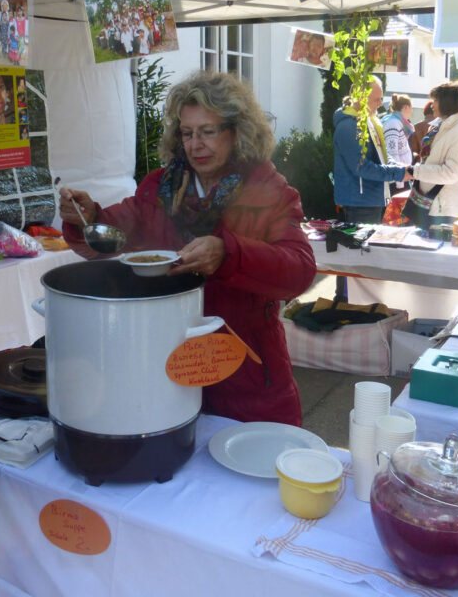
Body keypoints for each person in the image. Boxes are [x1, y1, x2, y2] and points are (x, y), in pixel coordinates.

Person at [59, 72, 316, 426]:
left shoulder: (268, 191)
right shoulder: (159, 188)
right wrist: (87, 220)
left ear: (237, 131)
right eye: (187, 133)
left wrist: (229, 254)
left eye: (208, 131)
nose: (196, 145)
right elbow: (108, 237)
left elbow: (299, 271)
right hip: (166, 364)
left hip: (247, 372)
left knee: (253, 473)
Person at [332, 78, 411, 223]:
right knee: (362, 246)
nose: (381, 104)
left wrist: (403, 169)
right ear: (361, 98)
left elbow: (384, 156)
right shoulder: (349, 126)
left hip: (374, 200)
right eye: (377, 99)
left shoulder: (372, 121)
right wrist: (398, 173)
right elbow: (361, 167)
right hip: (359, 204)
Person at [410, 82, 458, 224]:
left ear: (447, 103)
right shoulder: (441, 126)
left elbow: (452, 173)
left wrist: (415, 171)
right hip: (429, 203)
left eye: (435, 100)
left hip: (442, 208)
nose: (432, 104)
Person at [381, 94, 414, 190]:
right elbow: (392, 152)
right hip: (397, 180)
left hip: (401, 176)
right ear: (406, 107)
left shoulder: (397, 122)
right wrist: (399, 183)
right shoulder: (393, 123)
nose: (412, 111)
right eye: (411, 107)